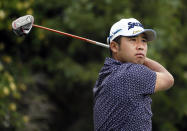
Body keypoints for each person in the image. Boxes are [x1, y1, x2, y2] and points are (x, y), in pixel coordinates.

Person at [93, 18, 174, 131]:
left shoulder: (105, 75)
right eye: (133, 40)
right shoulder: (132, 73)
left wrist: (138, 56)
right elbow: (168, 79)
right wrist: (143, 58)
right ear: (114, 47)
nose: (140, 46)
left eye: (144, 41)